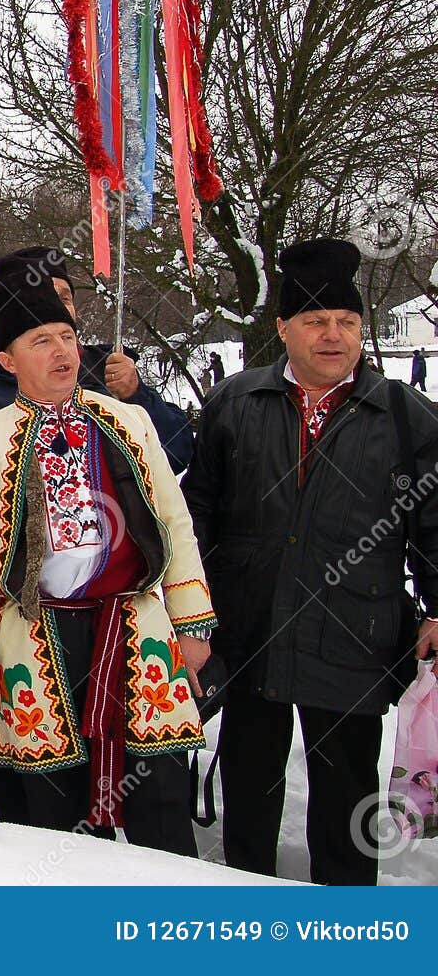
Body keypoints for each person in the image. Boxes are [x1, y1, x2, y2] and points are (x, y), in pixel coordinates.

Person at [182, 238, 438, 885]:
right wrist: (190, 615)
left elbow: (435, 527)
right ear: (283, 327)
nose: (333, 335)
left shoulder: (407, 417)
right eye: (316, 321)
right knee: (249, 813)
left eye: (347, 322)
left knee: (346, 824)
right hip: (249, 642)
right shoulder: (235, 405)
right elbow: (195, 519)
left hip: (355, 645)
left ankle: (345, 935)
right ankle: (246, 927)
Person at [0, 253, 214, 854]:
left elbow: (175, 522)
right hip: (35, 637)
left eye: (67, 336)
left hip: (134, 628)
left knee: (158, 796)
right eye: (42, 341)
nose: (63, 351)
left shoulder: (131, 421)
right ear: (8, 361)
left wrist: (191, 622)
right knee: (47, 809)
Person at [0, 246, 194, 472]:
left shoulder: (108, 369)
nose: (56, 306)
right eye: (44, 296)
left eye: (64, 298)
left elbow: (176, 454)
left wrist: (135, 394)